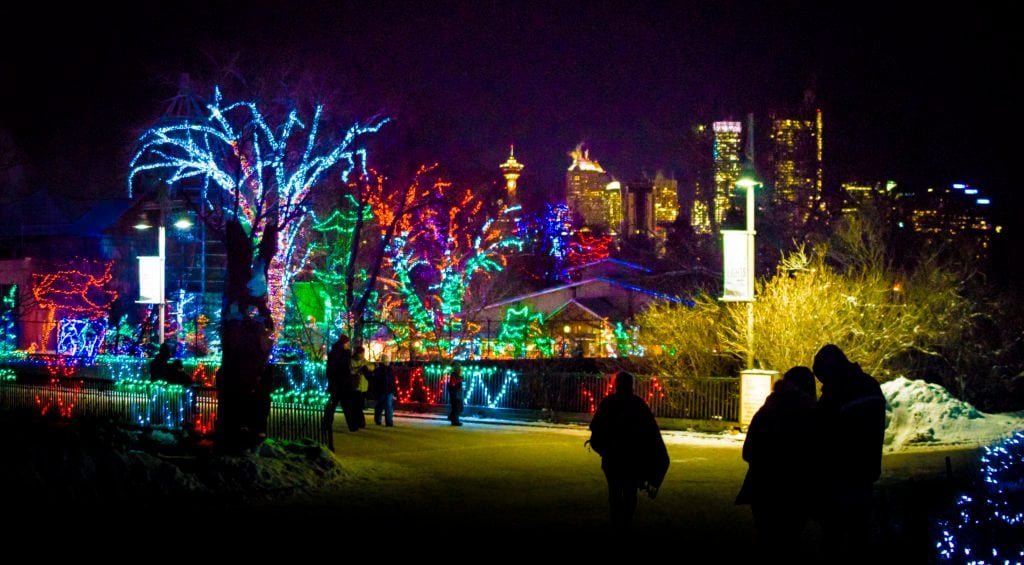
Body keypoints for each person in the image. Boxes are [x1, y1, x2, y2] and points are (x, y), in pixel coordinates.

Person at [812, 344, 887, 561]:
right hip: (866, 472)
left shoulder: (836, 395)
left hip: (839, 478)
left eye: (823, 377)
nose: (822, 383)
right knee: (859, 535)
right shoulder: (870, 386)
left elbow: (824, 438)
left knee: (834, 538)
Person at [735, 366, 818, 559]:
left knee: (768, 540)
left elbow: (748, 451)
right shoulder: (813, 414)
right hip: (798, 490)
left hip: (763, 488)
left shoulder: (767, 410)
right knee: (790, 541)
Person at [587, 371, 670, 531]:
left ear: (616, 384)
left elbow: (596, 429)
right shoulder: (638, 404)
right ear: (631, 385)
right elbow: (652, 434)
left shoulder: (608, 403)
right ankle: (626, 523)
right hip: (633, 460)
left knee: (615, 492)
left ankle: (616, 522)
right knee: (630, 492)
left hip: (612, 459)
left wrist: (604, 450)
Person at [324, 335, 358, 432]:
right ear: (344, 343)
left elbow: (330, 370)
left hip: (336, 384)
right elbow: (343, 369)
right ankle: (352, 426)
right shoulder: (344, 355)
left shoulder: (333, 353)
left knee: (332, 407)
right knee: (347, 406)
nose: (348, 345)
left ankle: (326, 425)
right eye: (347, 343)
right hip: (342, 384)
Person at [371, 354, 397, 426]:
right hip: (384, 390)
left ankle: (383, 421)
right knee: (385, 406)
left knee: (384, 406)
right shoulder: (388, 370)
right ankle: (387, 421)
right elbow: (392, 381)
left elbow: (392, 381)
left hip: (385, 390)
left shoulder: (381, 370)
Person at [350, 345, 370, 429]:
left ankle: (359, 421)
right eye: (361, 353)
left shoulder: (364, 361)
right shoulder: (352, 361)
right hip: (356, 386)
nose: (362, 355)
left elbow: (370, 367)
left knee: (359, 405)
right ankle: (360, 422)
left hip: (363, 387)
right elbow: (351, 371)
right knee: (357, 405)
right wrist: (358, 369)